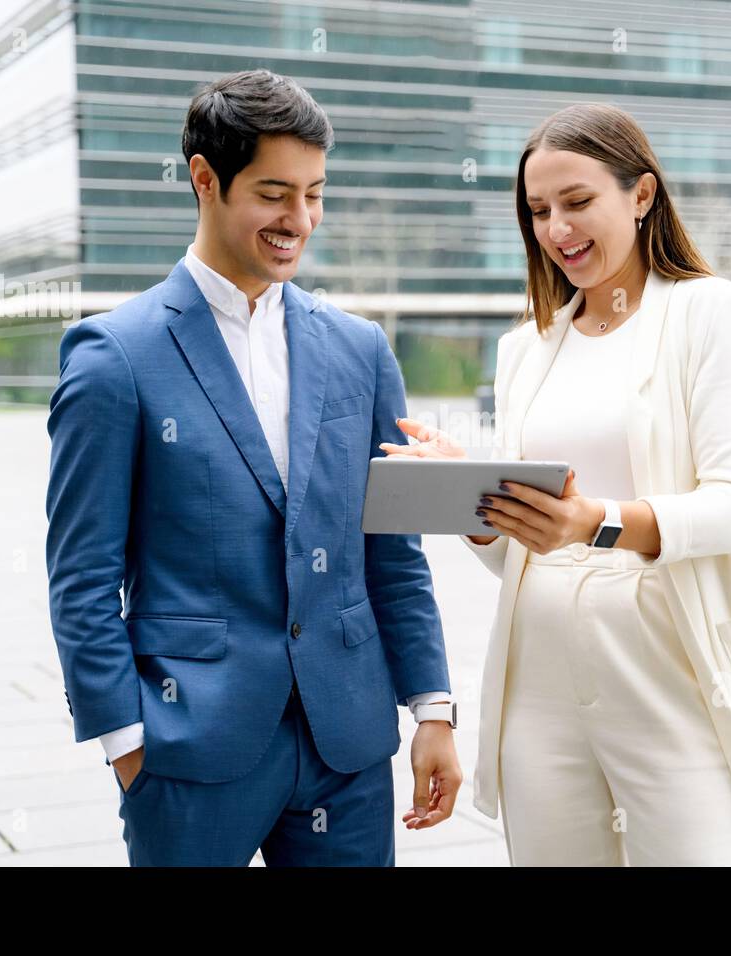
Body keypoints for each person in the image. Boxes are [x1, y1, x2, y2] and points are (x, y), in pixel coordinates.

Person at [45, 69, 462, 866]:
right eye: (275, 193)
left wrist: (432, 709)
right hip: (189, 750)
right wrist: (126, 743)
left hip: (348, 750)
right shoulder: (113, 356)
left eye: (315, 193)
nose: (298, 220)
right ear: (205, 179)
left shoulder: (360, 349)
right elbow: (81, 575)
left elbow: (391, 554)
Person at [380, 103, 731, 865]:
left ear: (641, 196)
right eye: (538, 210)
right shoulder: (527, 347)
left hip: (672, 674)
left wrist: (595, 521)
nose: (556, 229)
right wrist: (475, 503)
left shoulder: (711, 313)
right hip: (539, 683)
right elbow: (524, 550)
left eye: (577, 202)